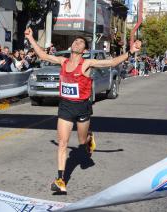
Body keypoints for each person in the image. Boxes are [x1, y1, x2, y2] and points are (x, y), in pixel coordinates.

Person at [24, 27, 141, 193]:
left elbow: (111, 62)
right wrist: (30, 38)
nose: (76, 42)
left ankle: (89, 138)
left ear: (84, 50)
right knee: (63, 143)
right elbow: (43, 55)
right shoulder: (63, 61)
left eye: (80, 42)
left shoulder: (86, 63)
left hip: (82, 107)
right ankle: (60, 179)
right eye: (75, 41)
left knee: (81, 141)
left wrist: (130, 51)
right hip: (65, 105)